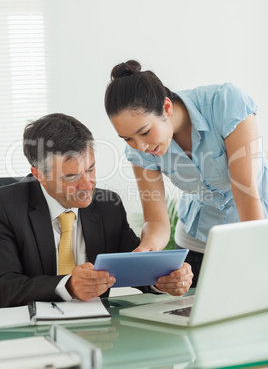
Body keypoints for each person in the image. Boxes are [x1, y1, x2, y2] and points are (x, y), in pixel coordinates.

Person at [0, 113, 193, 308]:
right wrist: (68, 286)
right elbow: (5, 285)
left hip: (99, 328)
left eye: (90, 170)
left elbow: (134, 264)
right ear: (39, 175)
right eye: (71, 176)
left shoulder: (108, 206)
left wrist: (165, 278)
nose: (86, 185)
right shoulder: (6, 207)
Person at [105, 60, 268, 286]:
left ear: (167, 108)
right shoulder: (140, 151)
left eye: (144, 132)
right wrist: (146, 248)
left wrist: (258, 260)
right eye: (128, 138)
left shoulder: (226, 104)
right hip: (197, 242)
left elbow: (245, 195)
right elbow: (157, 221)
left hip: (255, 230)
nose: (140, 146)